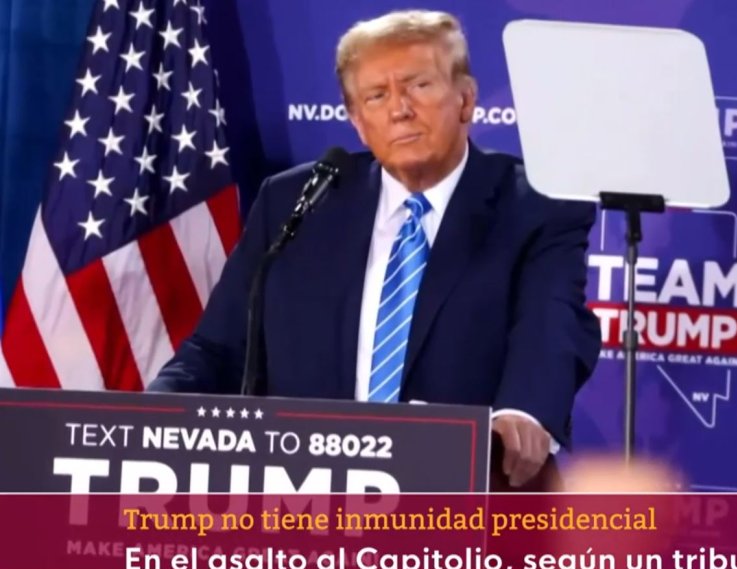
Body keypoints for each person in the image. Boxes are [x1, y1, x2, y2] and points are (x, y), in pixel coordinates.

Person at [148, 9, 601, 489]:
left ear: (466, 100)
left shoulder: (534, 205)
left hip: (465, 492)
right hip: (308, 495)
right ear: (358, 121)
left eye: (419, 85)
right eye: (377, 95)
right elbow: (217, 347)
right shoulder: (296, 202)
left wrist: (524, 411)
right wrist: (145, 417)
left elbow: (551, 325)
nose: (399, 109)